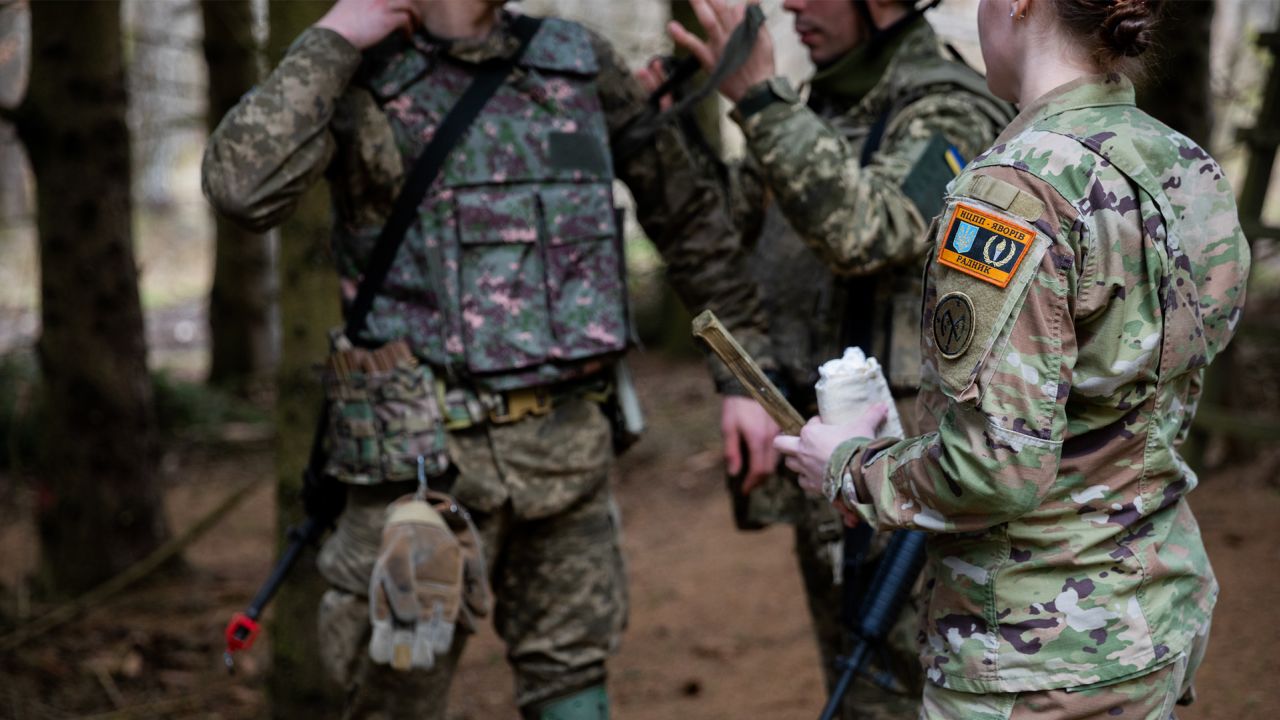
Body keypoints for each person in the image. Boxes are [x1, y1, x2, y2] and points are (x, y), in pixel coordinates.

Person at [201, 1, 775, 718]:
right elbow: (240, 188)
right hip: (418, 474)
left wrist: (742, 381)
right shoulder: (357, 76)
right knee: (394, 693)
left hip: (569, 457)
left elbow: (692, 225)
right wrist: (334, 38)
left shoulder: (575, 62)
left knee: (575, 687)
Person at [775, 0, 1250, 716]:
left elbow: (994, 469)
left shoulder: (1011, 194)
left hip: (1033, 655)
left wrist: (848, 465)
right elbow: (1130, 400)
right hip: (1155, 615)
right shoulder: (1183, 162)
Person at [642, 0, 1010, 715]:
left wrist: (759, 100)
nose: (790, 5)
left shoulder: (949, 108)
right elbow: (720, 236)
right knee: (859, 684)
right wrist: (655, 130)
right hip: (832, 462)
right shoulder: (819, 103)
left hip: (908, 469)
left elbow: (869, 230)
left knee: (918, 691)